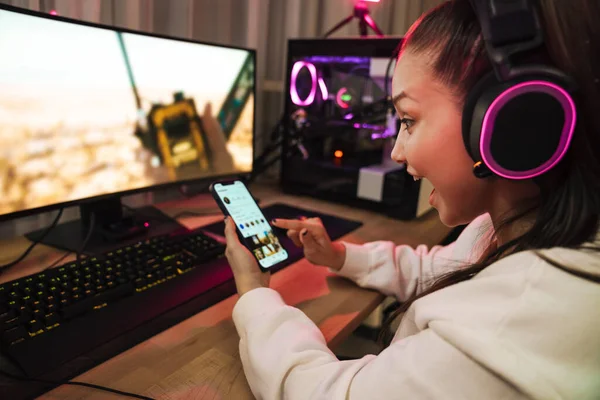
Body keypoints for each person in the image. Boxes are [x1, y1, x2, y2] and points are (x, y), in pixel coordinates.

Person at [222, 0, 600, 398]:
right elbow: (433, 270)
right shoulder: (512, 226)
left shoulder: (525, 311)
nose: (398, 152)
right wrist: (338, 256)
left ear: (508, 119)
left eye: (408, 120)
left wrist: (253, 293)